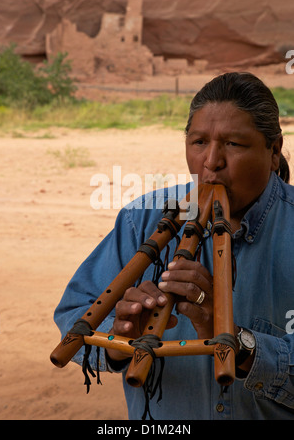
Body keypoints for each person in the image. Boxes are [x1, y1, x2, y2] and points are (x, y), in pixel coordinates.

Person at [54, 72, 294, 420]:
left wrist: (237, 341)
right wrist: (119, 339)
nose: (212, 162)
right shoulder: (146, 218)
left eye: (234, 144)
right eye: (198, 142)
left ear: (274, 151)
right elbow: (72, 315)